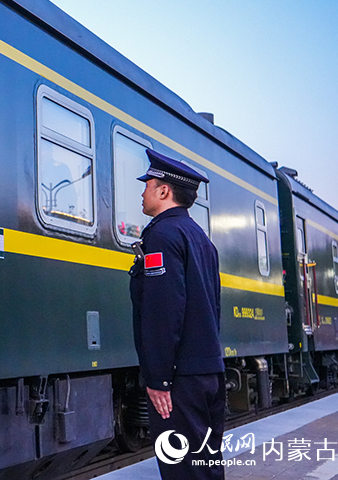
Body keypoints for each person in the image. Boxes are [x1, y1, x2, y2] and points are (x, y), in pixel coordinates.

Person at [128, 148, 225, 480]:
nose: (142, 192)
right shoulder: (201, 239)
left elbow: (163, 311)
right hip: (208, 373)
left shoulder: (162, 236)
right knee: (206, 467)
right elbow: (212, 308)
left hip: (180, 382)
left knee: (183, 470)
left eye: (147, 184)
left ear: (164, 191)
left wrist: (158, 379)